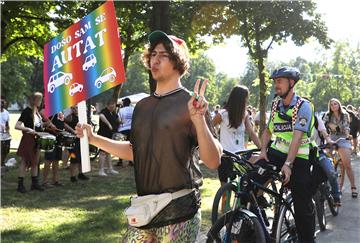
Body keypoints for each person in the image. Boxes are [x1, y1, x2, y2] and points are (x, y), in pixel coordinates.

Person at [75, 30, 222, 242]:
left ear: (178, 61)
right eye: (153, 54)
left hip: (179, 210)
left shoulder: (191, 103)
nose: (155, 59)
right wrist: (93, 138)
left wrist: (198, 120)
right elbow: (135, 152)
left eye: (163, 55)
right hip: (143, 210)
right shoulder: (142, 106)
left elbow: (213, 160)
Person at [254, 67, 316, 243]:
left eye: (279, 81)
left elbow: (296, 139)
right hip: (276, 153)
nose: (276, 85)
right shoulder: (275, 104)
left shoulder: (303, 106)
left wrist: (288, 164)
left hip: (299, 158)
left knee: (302, 206)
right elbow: (268, 131)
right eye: (274, 81)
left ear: (291, 83)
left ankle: (307, 240)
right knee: (249, 181)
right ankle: (255, 225)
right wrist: (263, 150)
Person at [212, 85, 261, 182]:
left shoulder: (245, 114)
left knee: (244, 186)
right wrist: (214, 142)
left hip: (241, 156)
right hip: (226, 155)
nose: (247, 101)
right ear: (240, 99)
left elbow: (251, 133)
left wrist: (262, 149)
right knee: (225, 193)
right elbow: (209, 127)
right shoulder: (222, 114)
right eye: (246, 98)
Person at [323, 99, 357, 198]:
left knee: (347, 164)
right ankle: (332, 186)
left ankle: (353, 187)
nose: (333, 106)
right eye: (331, 104)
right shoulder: (327, 115)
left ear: (339, 104)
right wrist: (328, 127)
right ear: (329, 106)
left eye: (335, 104)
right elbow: (323, 127)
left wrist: (347, 135)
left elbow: (346, 127)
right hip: (331, 138)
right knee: (326, 161)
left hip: (343, 138)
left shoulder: (345, 114)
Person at [15, 92, 44, 193]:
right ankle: (20, 185)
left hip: (37, 139)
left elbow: (37, 125)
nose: (41, 101)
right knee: (24, 161)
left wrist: (45, 125)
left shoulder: (37, 112)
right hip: (28, 139)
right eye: (40, 99)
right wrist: (28, 129)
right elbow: (17, 125)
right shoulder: (27, 111)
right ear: (34, 100)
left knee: (35, 162)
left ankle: (34, 184)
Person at [311, 114, 341, 205]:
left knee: (330, 172)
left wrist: (330, 141)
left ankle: (336, 195)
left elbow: (325, 133)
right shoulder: (293, 120)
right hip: (301, 154)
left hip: (318, 152)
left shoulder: (316, 119)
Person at [65, 105, 89, 182]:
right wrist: (72, 131)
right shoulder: (70, 116)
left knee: (82, 158)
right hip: (72, 140)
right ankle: (72, 176)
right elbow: (65, 124)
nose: (75, 109)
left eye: (76, 108)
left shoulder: (82, 117)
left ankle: (80, 173)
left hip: (81, 139)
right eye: (73, 108)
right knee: (74, 158)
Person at [42, 112, 65, 187]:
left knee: (56, 159)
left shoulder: (61, 110)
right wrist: (51, 125)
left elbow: (63, 123)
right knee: (48, 159)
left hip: (59, 137)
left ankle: (55, 180)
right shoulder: (50, 107)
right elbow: (42, 113)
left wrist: (70, 130)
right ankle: (44, 181)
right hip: (50, 137)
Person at [97, 99, 120, 176]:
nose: (112, 108)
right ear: (107, 105)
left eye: (113, 107)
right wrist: (108, 124)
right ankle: (101, 170)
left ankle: (110, 169)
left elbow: (117, 119)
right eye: (111, 107)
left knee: (108, 152)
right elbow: (101, 116)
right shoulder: (104, 111)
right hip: (103, 134)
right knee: (102, 152)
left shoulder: (113, 112)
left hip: (110, 135)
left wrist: (119, 121)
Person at [116, 97, 134, 167]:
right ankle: (130, 161)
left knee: (121, 146)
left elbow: (118, 120)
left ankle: (120, 161)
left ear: (124, 103)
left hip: (122, 129)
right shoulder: (133, 109)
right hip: (131, 129)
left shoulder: (121, 110)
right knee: (130, 146)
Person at [1, 97, 10, 166]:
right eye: (0, 102)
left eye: (3, 102)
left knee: (6, 150)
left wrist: (7, 131)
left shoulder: (6, 112)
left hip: (4, 134)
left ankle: (2, 162)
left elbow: (7, 124)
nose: (2, 104)